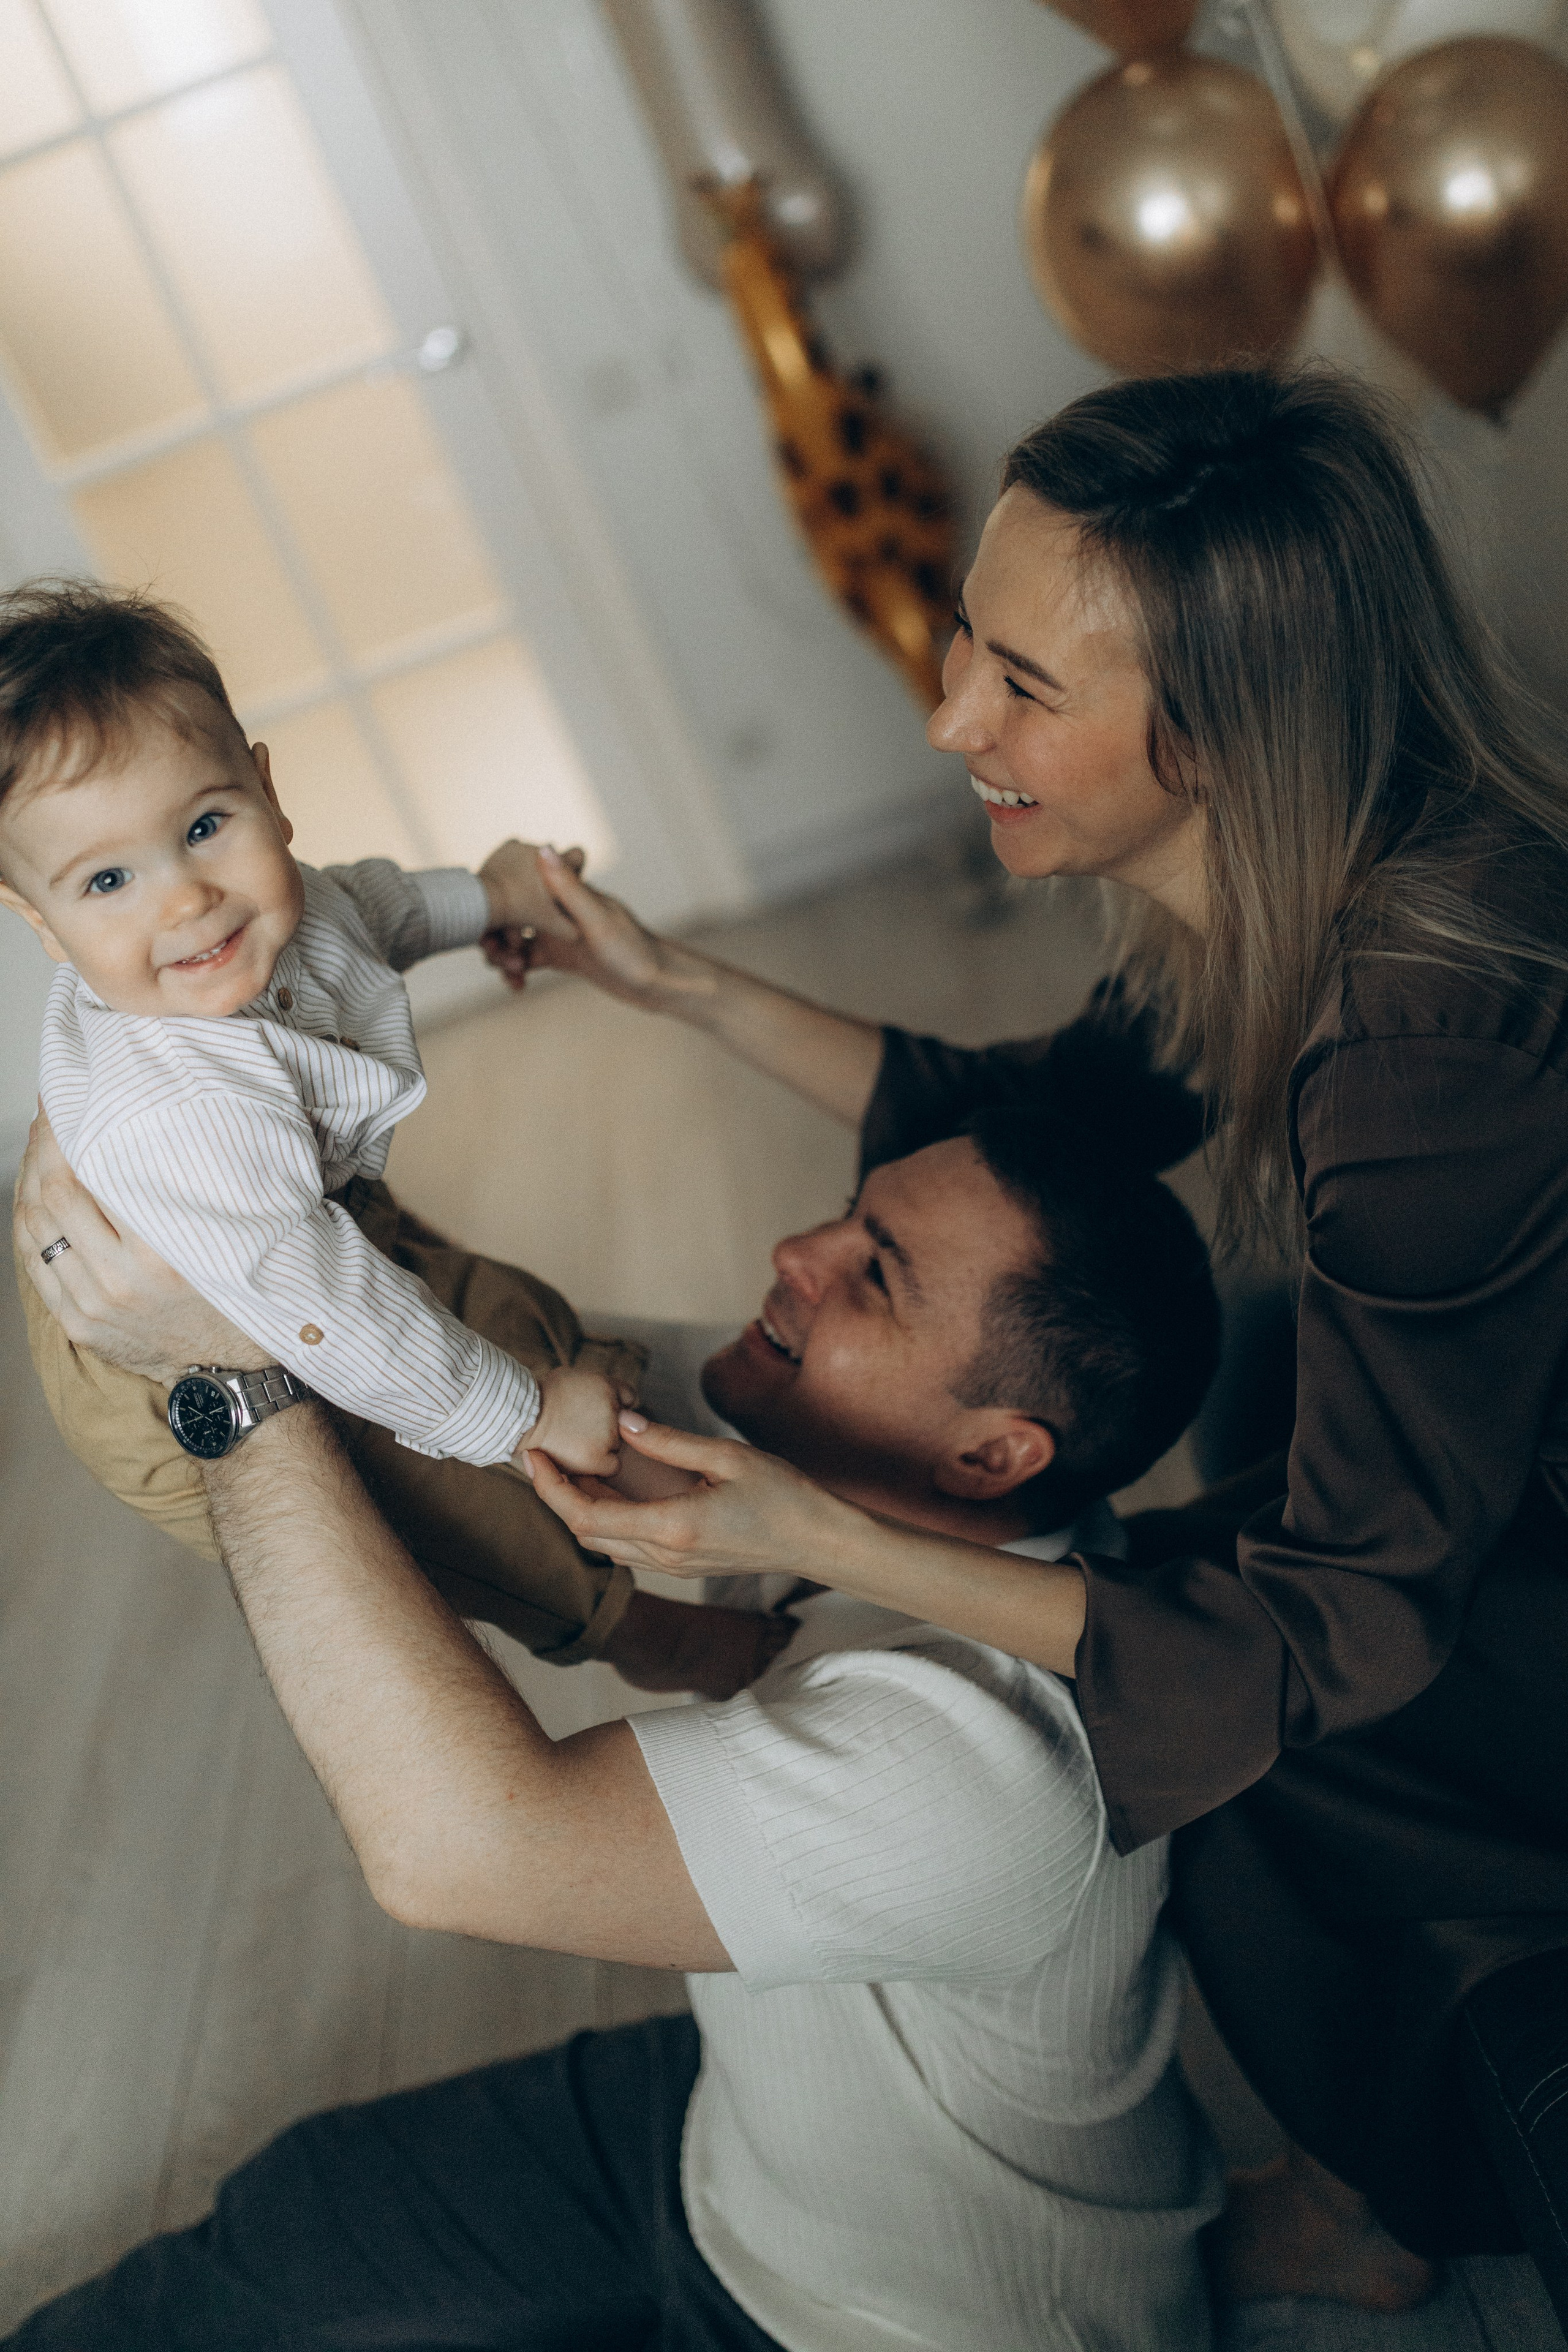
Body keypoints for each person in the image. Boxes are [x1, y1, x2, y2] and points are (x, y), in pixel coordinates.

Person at [493, 366, 1568, 2309]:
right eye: (967, 647)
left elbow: (1348, 1625)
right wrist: (664, 984)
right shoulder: (1275, 873)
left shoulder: (1425, 1046)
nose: (947, 719)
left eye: (1025, 690)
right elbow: (1044, 1123)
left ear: (1229, 733)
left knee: (1187, 1668)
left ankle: (1389, 2195)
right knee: (1155, 1567)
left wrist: (819, 1539)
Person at [9, 1098, 1224, 2351]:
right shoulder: (826, 1462)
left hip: (893, 2320)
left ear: (989, 1459)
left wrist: (230, 1380)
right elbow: (468, 1370)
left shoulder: (982, 1754)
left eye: (873, 1275)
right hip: (729, 2142)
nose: (793, 1257)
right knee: (277, 2226)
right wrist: (257, 1155)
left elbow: (455, 1850)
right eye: (850, 1217)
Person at [0, 581, 774, 1699]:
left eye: (206, 826)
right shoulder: (177, 1107)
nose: (188, 902)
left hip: (300, 1218)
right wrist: (519, 1418)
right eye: (108, 880)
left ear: (268, 792)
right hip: (162, 1342)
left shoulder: (291, 908)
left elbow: (380, 907)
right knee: (428, 1492)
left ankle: (618, 1438)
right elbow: (336, 1313)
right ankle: (627, 1626)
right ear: (40, 920)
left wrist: (494, 894)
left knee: (501, 1311)